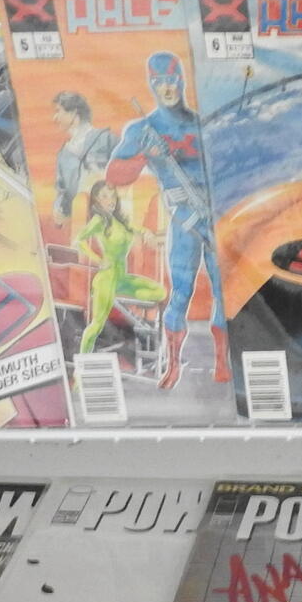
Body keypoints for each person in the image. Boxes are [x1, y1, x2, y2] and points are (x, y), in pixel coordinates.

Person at [105, 53, 227, 391]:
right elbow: (114, 175)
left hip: (215, 217)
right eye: (158, 81)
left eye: (171, 79)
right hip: (183, 220)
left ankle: (222, 363)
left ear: (181, 80)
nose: (166, 87)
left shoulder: (205, 125)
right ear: (151, 84)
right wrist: (145, 155)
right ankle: (173, 366)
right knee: (181, 292)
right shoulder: (144, 130)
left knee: (223, 291)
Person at [77, 180, 168, 355]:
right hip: (106, 279)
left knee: (160, 292)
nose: (110, 200)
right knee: (96, 325)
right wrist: (98, 260)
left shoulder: (119, 221)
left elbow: (137, 228)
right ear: (96, 200)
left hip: (121, 279)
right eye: (104, 196)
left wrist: (146, 232)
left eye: (112, 196)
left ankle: (140, 322)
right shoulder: (99, 220)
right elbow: (79, 240)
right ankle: (81, 363)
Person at [51, 91, 112, 226]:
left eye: (58, 111)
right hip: (81, 225)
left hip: (109, 222)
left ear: (73, 112)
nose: (55, 117)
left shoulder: (105, 139)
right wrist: (58, 210)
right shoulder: (64, 155)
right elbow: (62, 192)